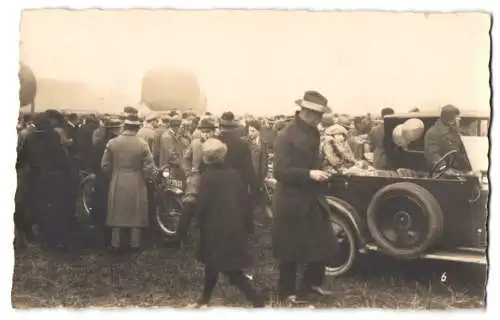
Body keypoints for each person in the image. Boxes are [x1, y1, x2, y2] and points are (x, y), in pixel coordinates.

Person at [273, 90, 337, 305]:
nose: (320, 120)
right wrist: (309, 174)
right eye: (318, 116)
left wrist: (323, 169)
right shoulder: (285, 136)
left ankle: (311, 284)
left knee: (322, 242)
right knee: (290, 249)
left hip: (312, 196)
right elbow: (280, 172)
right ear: (307, 113)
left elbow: (312, 160)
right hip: (292, 199)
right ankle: (286, 292)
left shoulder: (313, 132)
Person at [187, 138, 264, 308]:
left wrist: (197, 222)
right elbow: (245, 201)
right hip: (234, 227)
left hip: (215, 229)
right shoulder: (234, 174)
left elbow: (203, 204)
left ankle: (257, 301)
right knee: (212, 265)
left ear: (206, 158)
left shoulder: (207, 177)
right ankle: (204, 300)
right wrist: (247, 224)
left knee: (229, 269)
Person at [17, 111, 73, 253]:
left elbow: (21, 157)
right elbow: (61, 158)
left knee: (32, 203)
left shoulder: (28, 136)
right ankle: (46, 235)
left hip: (34, 175)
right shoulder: (53, 136)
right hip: (52, 176)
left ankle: (31, 232)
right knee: (49, 206)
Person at [101, 113, 155, 252]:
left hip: (118, 178)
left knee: (117, 210)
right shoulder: (142, 144)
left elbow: (105, 165)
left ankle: (116, 243)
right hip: (136, 179)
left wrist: (111, 176)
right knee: (135, 212)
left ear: (124, 126)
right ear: (137, 127)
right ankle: (135, 243)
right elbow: (149, 166)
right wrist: (147, 177)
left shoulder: (112, 143)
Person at [177, 117, 218, 243]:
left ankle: (208, 236)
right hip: (197, 178)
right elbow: (185, 159)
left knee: (211, 208)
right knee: (188, 205)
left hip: (212, 180)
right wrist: (189, 172)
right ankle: (181, 237)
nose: (206, 134)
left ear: (213, 132)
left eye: (208, 131)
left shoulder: (218, 144)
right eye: (203, 131)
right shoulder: (195, 143)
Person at [90, 117, 122, 248]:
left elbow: (94, 162)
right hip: (110, 178)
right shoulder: (115, 144)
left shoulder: (99, 143)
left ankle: (100, 237)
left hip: (100, 178)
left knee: (101, 207)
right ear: (114, 129)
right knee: (111, 207)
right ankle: (110, 237)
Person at [424, 104, 468, 172]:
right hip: (442, 174)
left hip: (460, 171)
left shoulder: (457, 132)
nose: (459, 119)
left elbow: (463, 152)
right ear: (451, 120)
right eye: (457, 118)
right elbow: (433, 156)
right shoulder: (433, 133)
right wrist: (444, 169)